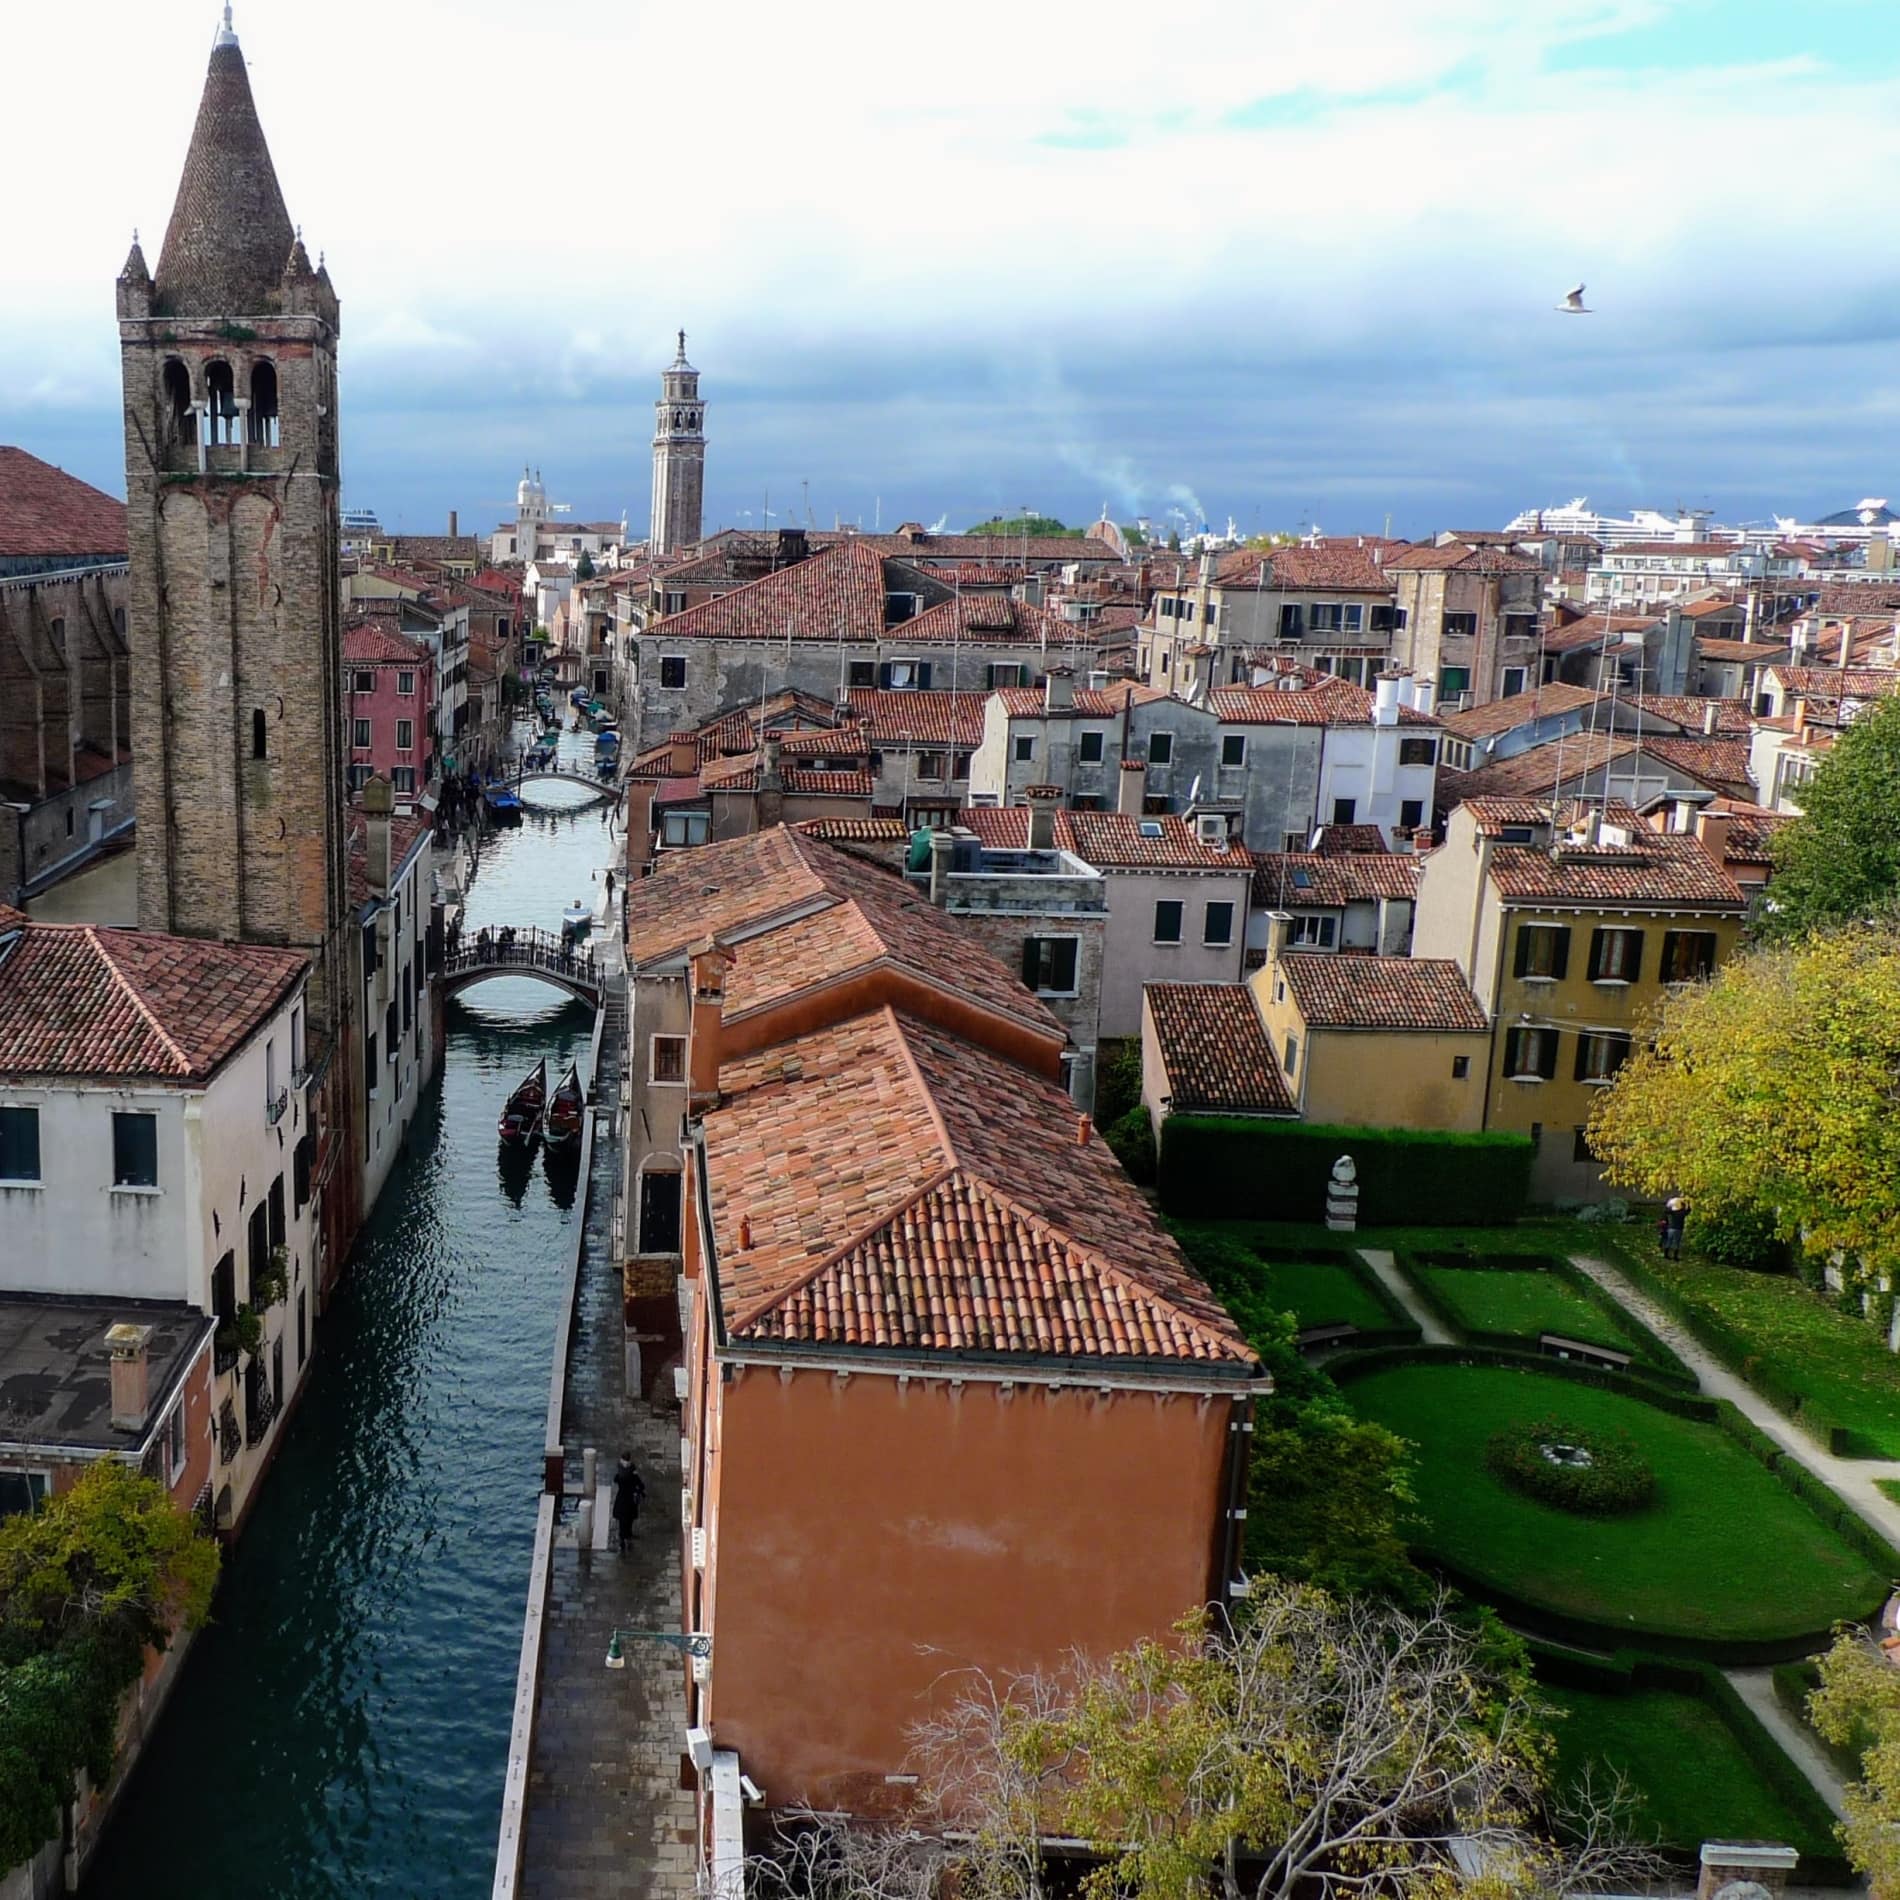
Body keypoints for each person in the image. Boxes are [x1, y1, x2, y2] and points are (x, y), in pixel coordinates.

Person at [611, 1453, 645, 1551]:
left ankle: (622, 1539)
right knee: (629, 1520)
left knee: (622, 1521)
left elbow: (615, 1479)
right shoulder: (633, 1474)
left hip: (622, 1500)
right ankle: (628, 1536)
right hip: (630, 1501)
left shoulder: (620, 1474)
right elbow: (640, 1485)